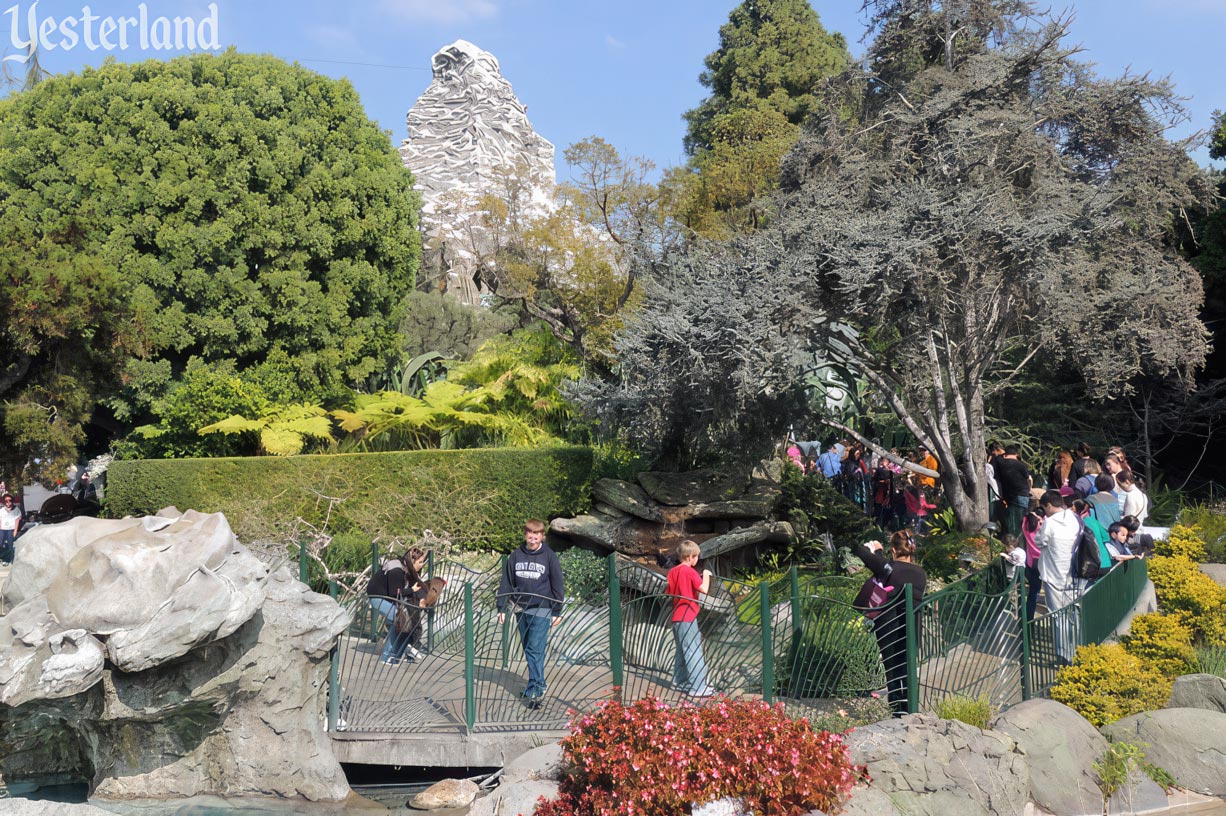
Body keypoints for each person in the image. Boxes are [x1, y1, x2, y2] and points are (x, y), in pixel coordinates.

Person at [853, 530, 926, 715]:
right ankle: (911, 709)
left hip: (889, 627)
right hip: (913, 626)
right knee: (907, 667)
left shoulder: (889, 568)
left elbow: (862, 552)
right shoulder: (921, 573)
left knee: (892, 670)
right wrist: (879, 555)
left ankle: (897, 711)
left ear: (893, 550)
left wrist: (875, 548)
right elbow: (884, 565)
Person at [497, 519, 564, 702]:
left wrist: (557, 611)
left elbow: (558, 584)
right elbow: (507, 582)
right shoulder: (516, 556)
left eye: (537, 534)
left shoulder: (549, 556)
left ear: (542, 536)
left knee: (535, 648)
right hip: (520, 608)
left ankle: (536, 687)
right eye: (530, 534)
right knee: (528, 648)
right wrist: (501, 607)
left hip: (542, 608)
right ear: (525, 534)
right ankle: (538, 683)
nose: (533, 537)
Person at [667, 539, 715, 698]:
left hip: (676, 616)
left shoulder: (673, 571)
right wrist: (707, 575)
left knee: (682, 650)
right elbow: (704, 589)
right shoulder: (689, 571)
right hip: (688, 616)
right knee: (694, 650)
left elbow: (669, 592)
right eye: (696, 557)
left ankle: (679, 681)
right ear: (690, 556)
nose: (697, 560)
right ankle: (698, 687)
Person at [1036, 490, 1080, 661]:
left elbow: (1040, 542)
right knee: (1073, 614)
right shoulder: (1074, 518)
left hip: (1053, 575)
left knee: (1058, 615)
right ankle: (1076, 650)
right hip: (1072, 574)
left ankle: (1063, 655)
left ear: (1047, 505)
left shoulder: (1050, 522)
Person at [366, 548, 412, 666]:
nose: (421, 566)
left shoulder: (401, 569)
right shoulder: (397, 570)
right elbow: (394, 593)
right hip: (377, 596)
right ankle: (387, 656)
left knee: (398, 620)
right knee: (397, 620)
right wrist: (412, 590)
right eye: (420, 562)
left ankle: (393, 650)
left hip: (384, 597)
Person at [994, 445, 1033, 537]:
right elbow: (1030, 479)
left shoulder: (1001, 463)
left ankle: (1014, 545)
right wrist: (1029, 489)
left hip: (1011, 497)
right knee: (1021, 524)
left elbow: (997, 456)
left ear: (1005, 454)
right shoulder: (1021, 465)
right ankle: (1020, 545)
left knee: (1012, 524)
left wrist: (1002, 452)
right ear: (1016, 454)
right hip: (1023, 496)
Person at [0, 493, 21, 565]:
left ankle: (11, 560)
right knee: (0, 544)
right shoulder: (2, 510)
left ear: (12, 501)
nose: (8, 502)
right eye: (6, 501)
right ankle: (3, 558)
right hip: (2, 529)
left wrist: (15, 530)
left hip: (11, 529)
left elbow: (17, 520)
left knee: (10, 545)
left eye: (9, 500)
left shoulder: (16, 510)